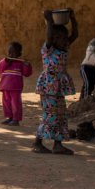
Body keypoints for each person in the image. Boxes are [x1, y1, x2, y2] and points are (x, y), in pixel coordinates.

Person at [33, 9, 78, 155]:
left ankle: (57, 145)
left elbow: (75, 35)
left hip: (58, 88)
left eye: (65, 37)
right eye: (61, 38)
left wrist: (73, 18)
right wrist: (49, 22)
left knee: (60, 115)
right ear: (54, 38)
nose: (65, 40)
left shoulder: (63, 48)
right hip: (48, 88)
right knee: (50, 115)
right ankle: (37, 143)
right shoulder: (49, 50)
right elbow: (49, 36)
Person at [0, 42, 33, 126]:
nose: (11, 54)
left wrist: (27, 66)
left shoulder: (21, 63)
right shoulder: (4, 61)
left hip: (16, 87)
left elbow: (27, 74)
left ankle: (16, 119)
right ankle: (10, 117)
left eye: (13, 52)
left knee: (16, 104)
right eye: (9, 52)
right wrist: (6, 62)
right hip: (5, 87)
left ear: (19, 53)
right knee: (6, 103)